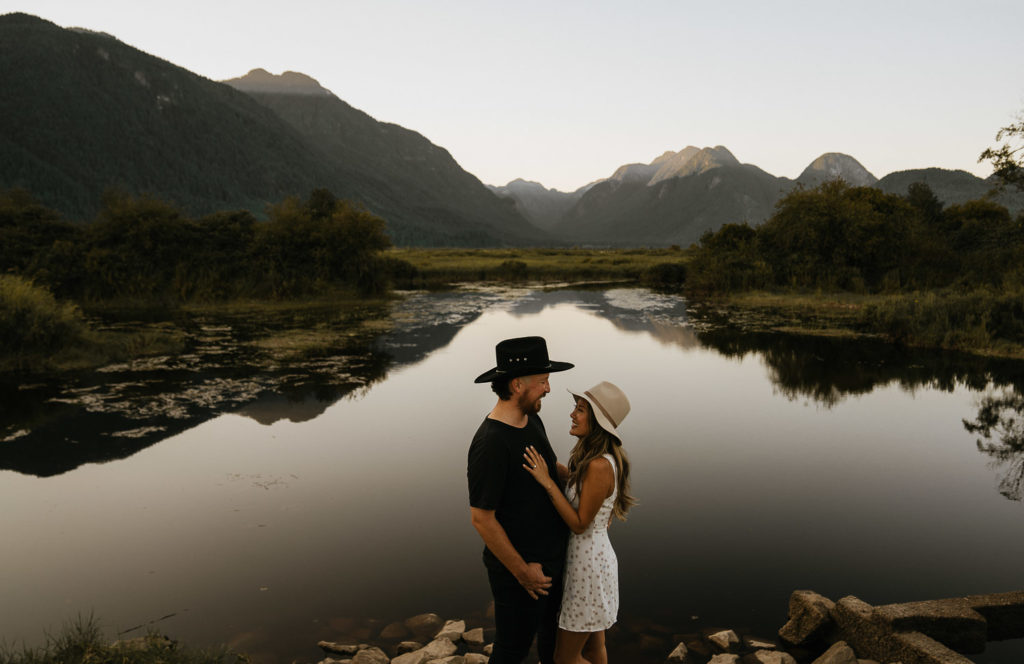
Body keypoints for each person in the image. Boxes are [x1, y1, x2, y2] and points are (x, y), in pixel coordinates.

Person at [467, 336, 575, 664]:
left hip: (554, 557)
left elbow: (550, 466)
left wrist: (592, 480)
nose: (548, 389)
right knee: (512, 650)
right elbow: (482, 518)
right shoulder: (491, 443)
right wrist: (522, 571)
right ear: (517, 385)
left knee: (552, 637)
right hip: (523, 571)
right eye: (543, 382)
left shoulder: (531, 419)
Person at [522, 381, 636, 664]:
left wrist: (547, 482)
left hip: (588, 569)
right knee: (594, 648)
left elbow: (579, 524)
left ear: (597, 422)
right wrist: (551, 464)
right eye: (576, 407)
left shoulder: (598, 466)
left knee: (564, 659)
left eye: (581, 409)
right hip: (592, 561)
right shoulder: (595, 460)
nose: (573, 414)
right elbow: (578, 487)